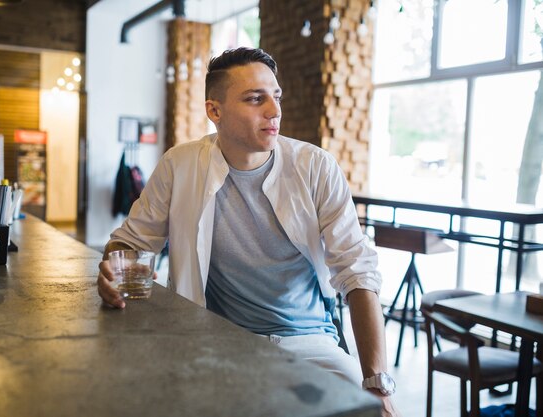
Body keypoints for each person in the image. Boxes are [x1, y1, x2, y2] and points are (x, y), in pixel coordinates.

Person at [97, 47, 399, 417]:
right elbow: (131, 240)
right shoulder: (181, 164)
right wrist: (114, 268)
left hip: (309, 341)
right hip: (214, 339)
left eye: (276, 97)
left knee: (363, 411)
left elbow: (358, 272)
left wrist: (377, 382)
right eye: (255, 99)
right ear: (214, 111)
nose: (274, 111)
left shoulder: (315, 167)